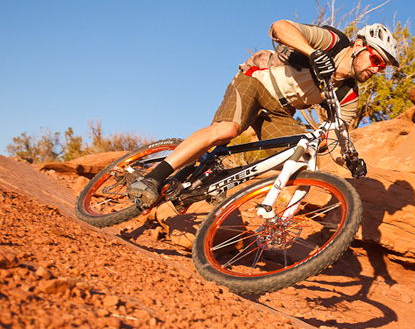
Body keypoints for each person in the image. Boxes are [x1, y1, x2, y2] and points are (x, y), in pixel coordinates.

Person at [127, 19, 400, 207]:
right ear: (359, 46)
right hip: (257, 80)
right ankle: (153, 177)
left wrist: (348, 159)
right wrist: (311, 52)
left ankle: (218, 181)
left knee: (299, 159)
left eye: (383, 67)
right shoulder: (333, 42)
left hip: (279, 111)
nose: (376, 69)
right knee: (227, 131)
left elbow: (336, 136)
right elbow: (279, 27)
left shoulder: (349, 96)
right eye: (376, 60)